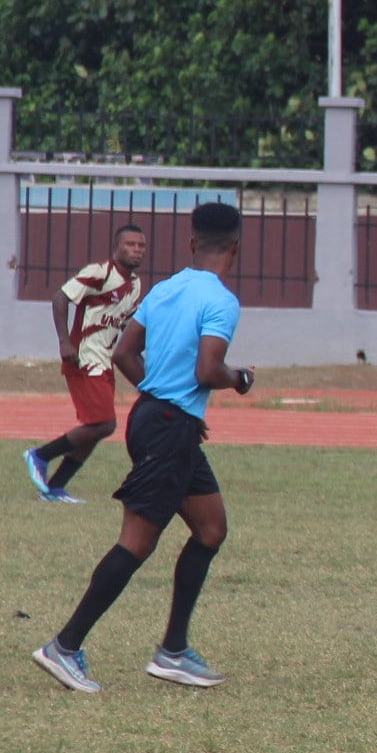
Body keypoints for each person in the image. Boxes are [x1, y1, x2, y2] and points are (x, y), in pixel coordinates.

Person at [29, 202, 258, 692]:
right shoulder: (222, 301)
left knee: (211, 528)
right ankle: (64, 647)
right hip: (169, 426)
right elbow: (207, 371)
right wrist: (239, 379)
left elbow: (123, 353)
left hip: (159, 419)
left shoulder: (166, 288)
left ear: (192, 244)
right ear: (236, 248)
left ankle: (173, 650)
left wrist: (158, 399)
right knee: (136, 541)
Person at [23, 222, 149, 502]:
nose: (136, 250)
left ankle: (55, 488)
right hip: (84, 358)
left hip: (105, 360)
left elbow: (123, 325)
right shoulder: (99, 272)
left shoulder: (136, 285)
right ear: (116, 248)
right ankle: (39, 455)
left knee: (96, 427)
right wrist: (64, 341)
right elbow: (60, 297)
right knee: (103, 424)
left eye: (141, 246)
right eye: (130, 244)